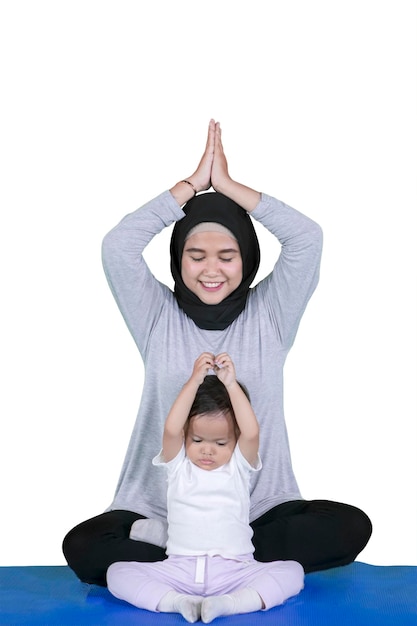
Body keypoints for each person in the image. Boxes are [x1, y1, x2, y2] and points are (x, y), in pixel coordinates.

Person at [63, 119, 372, 587]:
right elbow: (118, 247)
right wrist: (188, 189)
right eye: (196, 255)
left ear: (246, 259)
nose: (212, 270)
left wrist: (228, 187)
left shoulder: (270, 315)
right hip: (159, 506)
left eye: (227, 256)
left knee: (350, 527)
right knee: (83, 548)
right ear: (178, 259)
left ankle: (215, 550)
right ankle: (186, 544)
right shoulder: (156, 316)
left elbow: (307, 238)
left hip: (255, 509)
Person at [107, 352, 304, 623]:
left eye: (220, 443)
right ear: (187, 435)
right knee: (117, 573)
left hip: (236, 571)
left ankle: (231, 604)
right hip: (180, 570)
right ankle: (177, 602)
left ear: (234, 441)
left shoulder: (238, 467)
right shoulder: (178, 466)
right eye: (197, 439)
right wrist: (194, 381)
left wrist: (232, 384)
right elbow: (172, 429)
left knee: (293, 572)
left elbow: (252, 433)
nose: (207, 450)